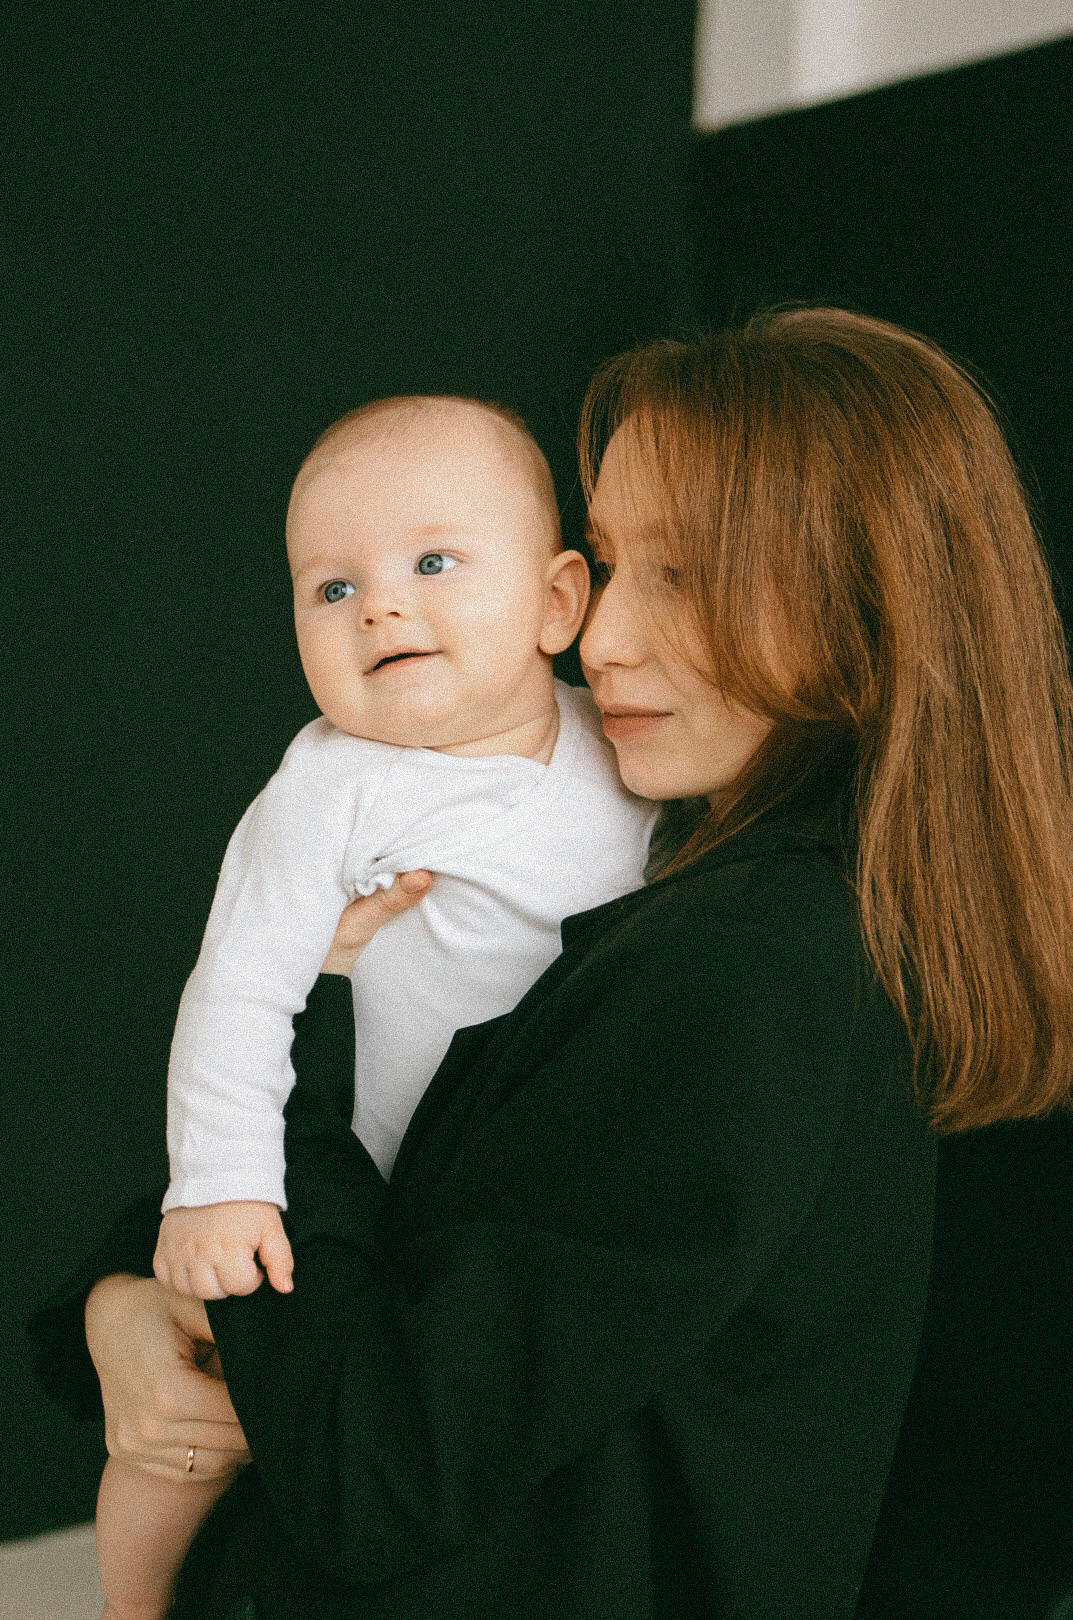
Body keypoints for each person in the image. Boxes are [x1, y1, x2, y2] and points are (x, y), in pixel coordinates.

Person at [31, 307, 1073, 1620]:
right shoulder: (663, 878)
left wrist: (304, 1033)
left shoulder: (750, 972)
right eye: (613, 566)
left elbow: (375, 1465)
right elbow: (430, 1195)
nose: (601, 641)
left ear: (859, 599)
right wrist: (121, 1303)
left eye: (683, 574)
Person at [92, 395, 658, 1620]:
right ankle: (128, 1607)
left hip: (496, 1203)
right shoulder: (330, 788)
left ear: (558, 603)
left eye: (433, 563)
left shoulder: (620, 752)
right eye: (331, 588)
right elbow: (240, 985)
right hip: (334, 1191)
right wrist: (221, 1184)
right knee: (191, 1433)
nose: (379, 607)